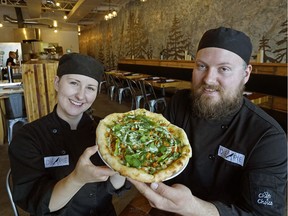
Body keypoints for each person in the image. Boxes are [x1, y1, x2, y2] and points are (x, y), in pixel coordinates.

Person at [129, 27, 287, 215]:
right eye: (201, 66)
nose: (209, 79)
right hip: (163, 207)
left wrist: (195, 209)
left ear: (246, 74)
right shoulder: (179, 102)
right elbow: (153, 152)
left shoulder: (268, 138)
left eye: (224, 69)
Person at [8, 53, 129, 216]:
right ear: (57, 83)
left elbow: (114, 187)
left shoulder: (106, 130)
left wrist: (122, 166)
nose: (80, 95)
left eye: (90, 88)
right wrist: (77, 179)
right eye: (74, 83)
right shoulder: (28, 137)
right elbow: (38, 204)